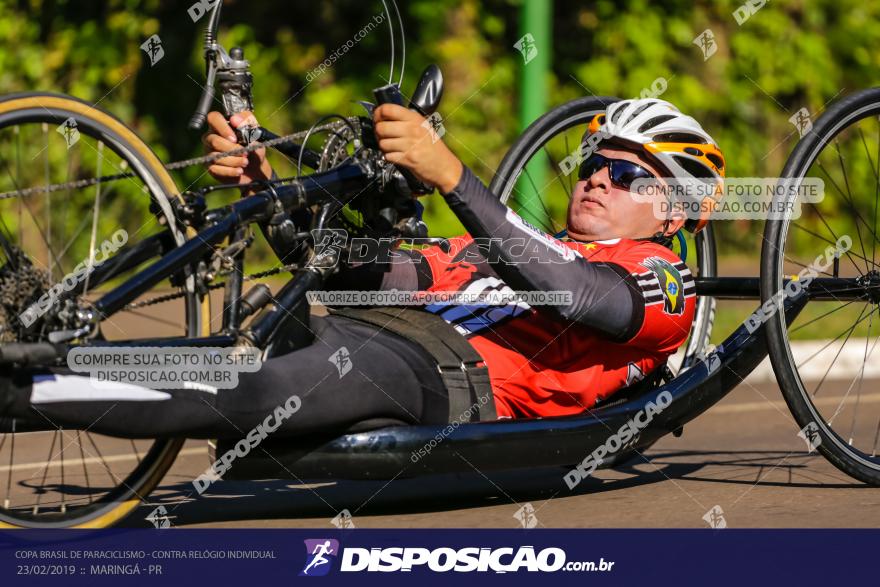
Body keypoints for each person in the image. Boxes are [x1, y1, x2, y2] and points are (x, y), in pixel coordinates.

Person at [0, 98, 725, 437]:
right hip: (373, 329)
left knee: (243, 384)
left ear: (672, 211)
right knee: (213, 353)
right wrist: (269, 193)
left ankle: (30, 386)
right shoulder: (505, 245)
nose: (597, 179)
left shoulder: (665, 279)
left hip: (443, 374)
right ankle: (35, 362)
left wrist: (453, 179)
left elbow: (579, 294)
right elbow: (365, 273)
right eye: (595, 164)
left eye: (628, 174)